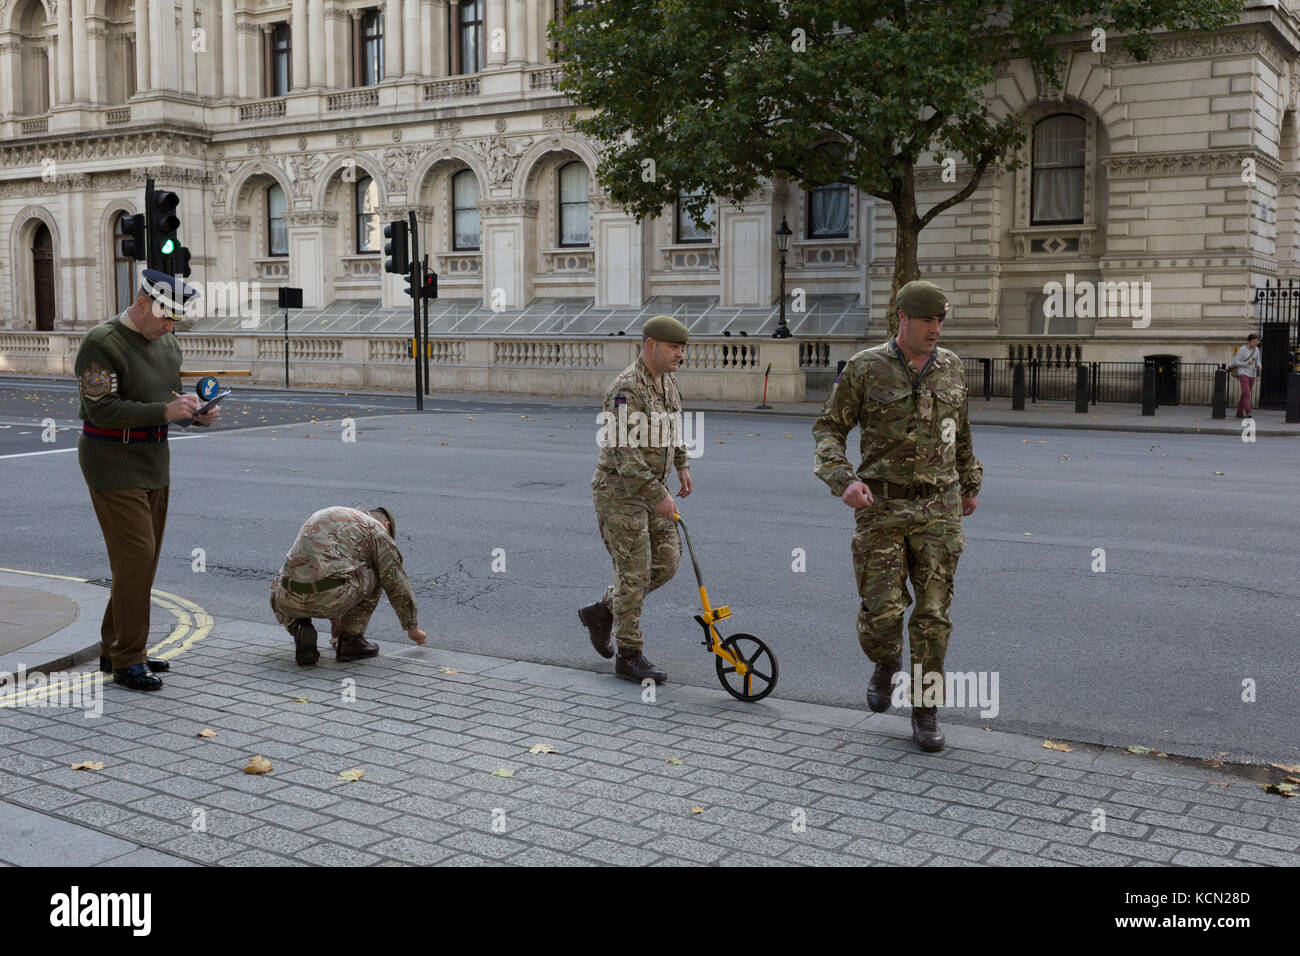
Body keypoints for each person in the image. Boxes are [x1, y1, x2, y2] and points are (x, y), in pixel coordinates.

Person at [812, 280, 982, 752]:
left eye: (941, 321)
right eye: (927, 320)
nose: (935, 329)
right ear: (902, 319)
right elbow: (828, 428)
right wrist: (843, 480)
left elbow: (960, 432)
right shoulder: (866, 368)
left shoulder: (951, 367)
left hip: (939, 506)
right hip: (881, 505)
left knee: (932, 613)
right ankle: (886, 661)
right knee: (882, 610)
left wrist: (969, 483)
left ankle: (925, 710)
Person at [75, 270, 219, 691]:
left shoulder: (166, 342)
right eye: (165, 318)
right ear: (142, 305)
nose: (171, 328)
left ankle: (117, 646)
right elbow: (102, 410)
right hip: (112, 460)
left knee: (139, 561)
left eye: (176, 320)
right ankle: (128, 658)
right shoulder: (101, 343)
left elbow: (169, 402)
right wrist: (165, 414)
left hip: (154, 459)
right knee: (136, 557)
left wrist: (195, 415)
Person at [580, 315, 693, 683]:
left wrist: (682, 465)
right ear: (650, 345)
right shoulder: (625, 390)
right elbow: (623, 453)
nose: (680, 354)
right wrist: (657, 494)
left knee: (668, 562)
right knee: (635, 571)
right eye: (674, 347)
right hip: (621, 493)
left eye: (681, 348)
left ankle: (602, 610)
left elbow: (674, 427)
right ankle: (629, 654)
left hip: (652, 489)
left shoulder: (668, 383)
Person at [270, 506, 427, 665]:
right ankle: (351, 640)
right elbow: (396, 581)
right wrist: (412, 627)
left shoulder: (337, 516)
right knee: (379, 570)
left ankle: (299, 627)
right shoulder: (377, 530)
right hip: (331, 597)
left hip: (287, 598)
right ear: (386, 526)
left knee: (283, 578)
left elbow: (320, 569)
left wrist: (336, 620)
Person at [1230, 333, 1262, 418]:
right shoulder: (1242, 349)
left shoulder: (1257, 350)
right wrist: (1246, 363)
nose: (1255, 344)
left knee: (1245, 393)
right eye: (1253, 342)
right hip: (1243, 372)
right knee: (1247, 393)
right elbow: (1235, 362)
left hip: (1252, 373)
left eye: (1256, 342)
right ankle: (1248, 412)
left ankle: (1239, 412)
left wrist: (1259, 365)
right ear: (1249, 341)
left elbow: (1258, 360)